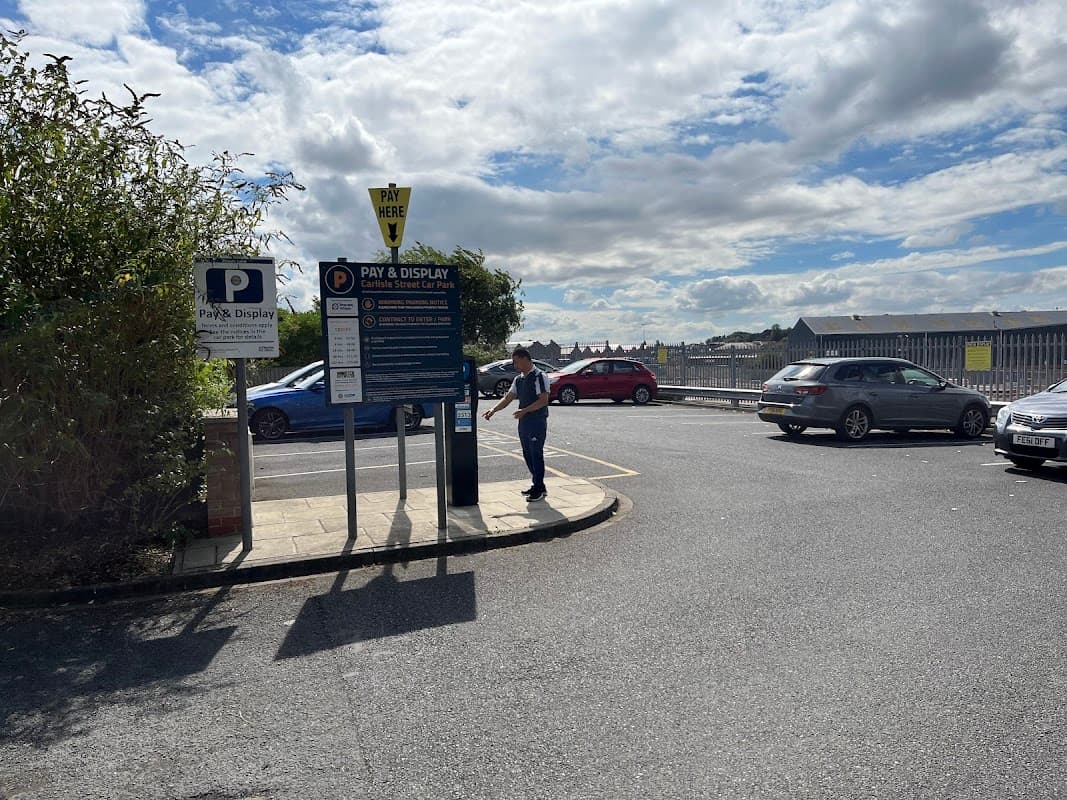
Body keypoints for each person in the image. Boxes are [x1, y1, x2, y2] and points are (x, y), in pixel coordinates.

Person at [482, 348, 551, 501]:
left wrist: (525, 410)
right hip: (524, 422)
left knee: (536, 454)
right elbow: (508, 398)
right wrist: (493, 410)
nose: (515, 365)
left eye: (516, 362)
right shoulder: (518, 379)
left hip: (537, 421)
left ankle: (538, 489)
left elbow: (543, 400)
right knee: (527, 454)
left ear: (525, 359)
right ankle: (539, 485)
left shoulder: (539, 376)